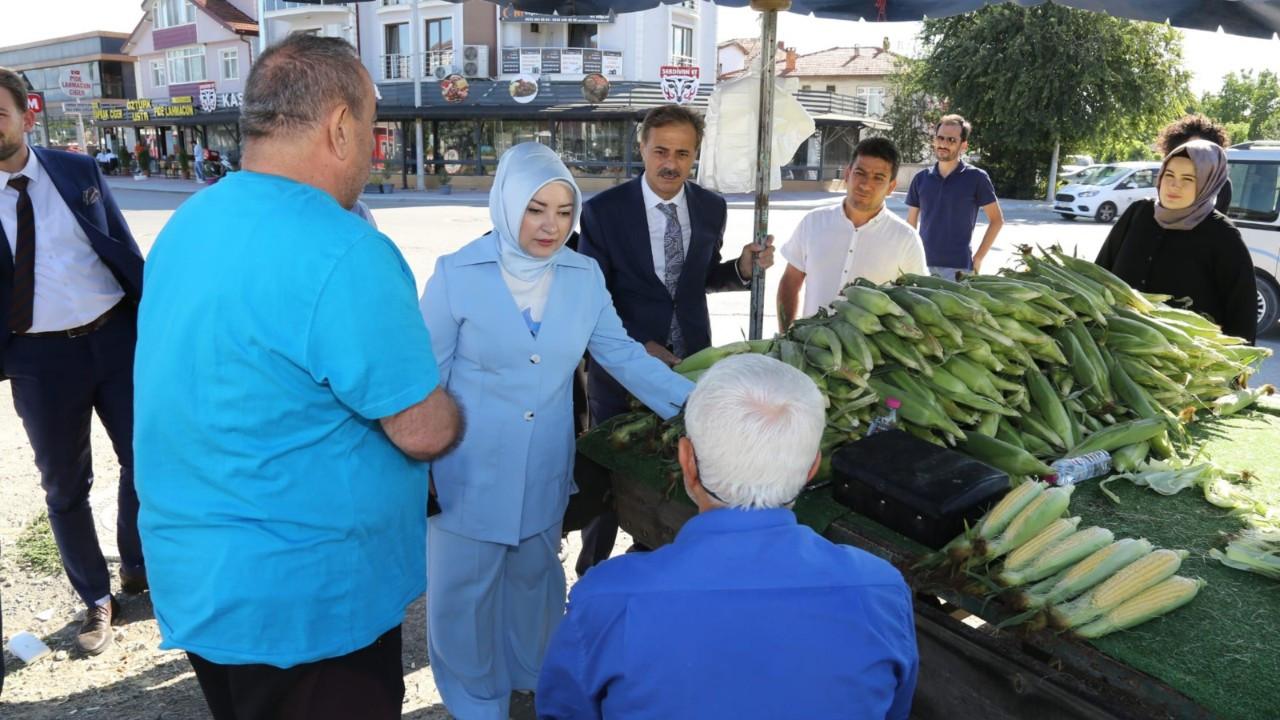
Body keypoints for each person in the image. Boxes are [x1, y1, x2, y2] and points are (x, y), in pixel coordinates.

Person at [133, 35, 462, 720]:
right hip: (307, 603)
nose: (373, 150)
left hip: (201, 577)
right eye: (372, 127)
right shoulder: (344, 249)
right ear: (341, 127)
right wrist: (456, 410)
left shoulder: (188, 222)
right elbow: (424, 432)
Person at [419, 141, 694, 720]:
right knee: (463, 596)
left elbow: (621, 354)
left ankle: (533, 676)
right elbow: (425, 382)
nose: (550, 226)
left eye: (564, 211)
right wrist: (421, 469)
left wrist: (697, 403)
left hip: (543, 463)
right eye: (535, 208)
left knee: (534, 581)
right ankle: (476, 702)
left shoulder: (582, 275)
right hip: (465, 467)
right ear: (506, 204)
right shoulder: (456, 275)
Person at [536, 354, 920, 720]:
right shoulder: (880, 591)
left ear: (687, 462)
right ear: (811, 469)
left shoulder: (607, 600)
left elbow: (563, 709)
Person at [575, 103, 775, 575]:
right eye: (660, 150)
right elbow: (589, 296)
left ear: (695, 156)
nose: (670, 163)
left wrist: (742, 269)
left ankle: (666, 568)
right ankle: (590, 577)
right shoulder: (602, 211)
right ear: (641, 148)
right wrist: (638, 345)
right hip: (619, 369)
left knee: (681, 471)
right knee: (610, 479)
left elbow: (697, 278)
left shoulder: (711, 207)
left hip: (692, 366)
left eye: (682, 153)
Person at [0, 66, 145, 656]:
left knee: (145, 460)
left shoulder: (78, 171)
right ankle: (96, 597)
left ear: (26, 115)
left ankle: (138, 567)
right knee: (64, 485)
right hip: (39, 360)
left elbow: (123, 251)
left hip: (115, 340)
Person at [1095, 139, 1257, 343]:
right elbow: (1101, 270)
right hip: (1113, 350)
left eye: (1188, 179)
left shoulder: (1223, 236)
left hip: (1180, 366)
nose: (1174, 185)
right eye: (1169, 175)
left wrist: (1236, 369)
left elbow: (1242, 313)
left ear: (1208, 183)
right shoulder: (1138, 213)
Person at [777, 136, 926, 330]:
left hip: (870, 358)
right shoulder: (813, 223)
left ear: (891, 187)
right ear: (847, 174)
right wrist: (786, 334)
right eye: (860, 173)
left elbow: (916, 303)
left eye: (878, 178)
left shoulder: (905, 239)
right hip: (808, 351)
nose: (865, 184)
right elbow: (790, 281)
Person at [905, 114, 1004, 278]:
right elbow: (910, 224)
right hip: (921, 264)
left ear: (963, 146)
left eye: (951, 140)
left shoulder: (977, 178)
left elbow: (997, 220)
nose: (943, 144)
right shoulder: (921, 178)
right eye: (940, 138)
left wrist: (978, 258)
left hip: (958, 269)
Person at [1156, 113, 1232, 212]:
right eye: (1184, 149)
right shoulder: (1142, 210)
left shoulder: (1222, 185)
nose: (1175, 186)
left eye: (1201, 151)